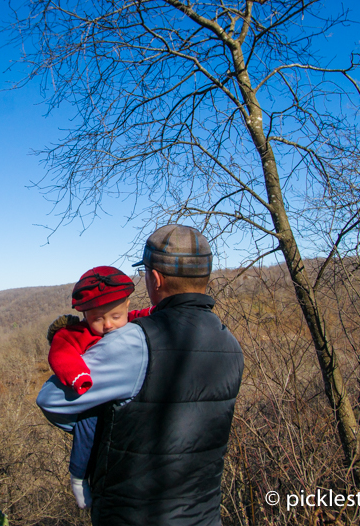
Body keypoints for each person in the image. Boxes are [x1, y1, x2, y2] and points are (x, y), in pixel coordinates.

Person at [36, 225, 244, 526]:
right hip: (205, 516)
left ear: (155, 278)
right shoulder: (230, 345)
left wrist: (103, 427)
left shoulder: (134, 342)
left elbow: (52, 400)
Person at [46, 266, 153, 508]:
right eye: (97, 319)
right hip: (91, 396)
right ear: (85, 317)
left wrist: (158, 312)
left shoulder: (131, 320)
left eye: (115, 317)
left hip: (125, 404)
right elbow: (61, 350)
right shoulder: (79, 334)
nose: (107, 325)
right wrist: (78, 376)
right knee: (88, 429)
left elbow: (142, 315)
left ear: (126, 305)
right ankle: (79, 476)